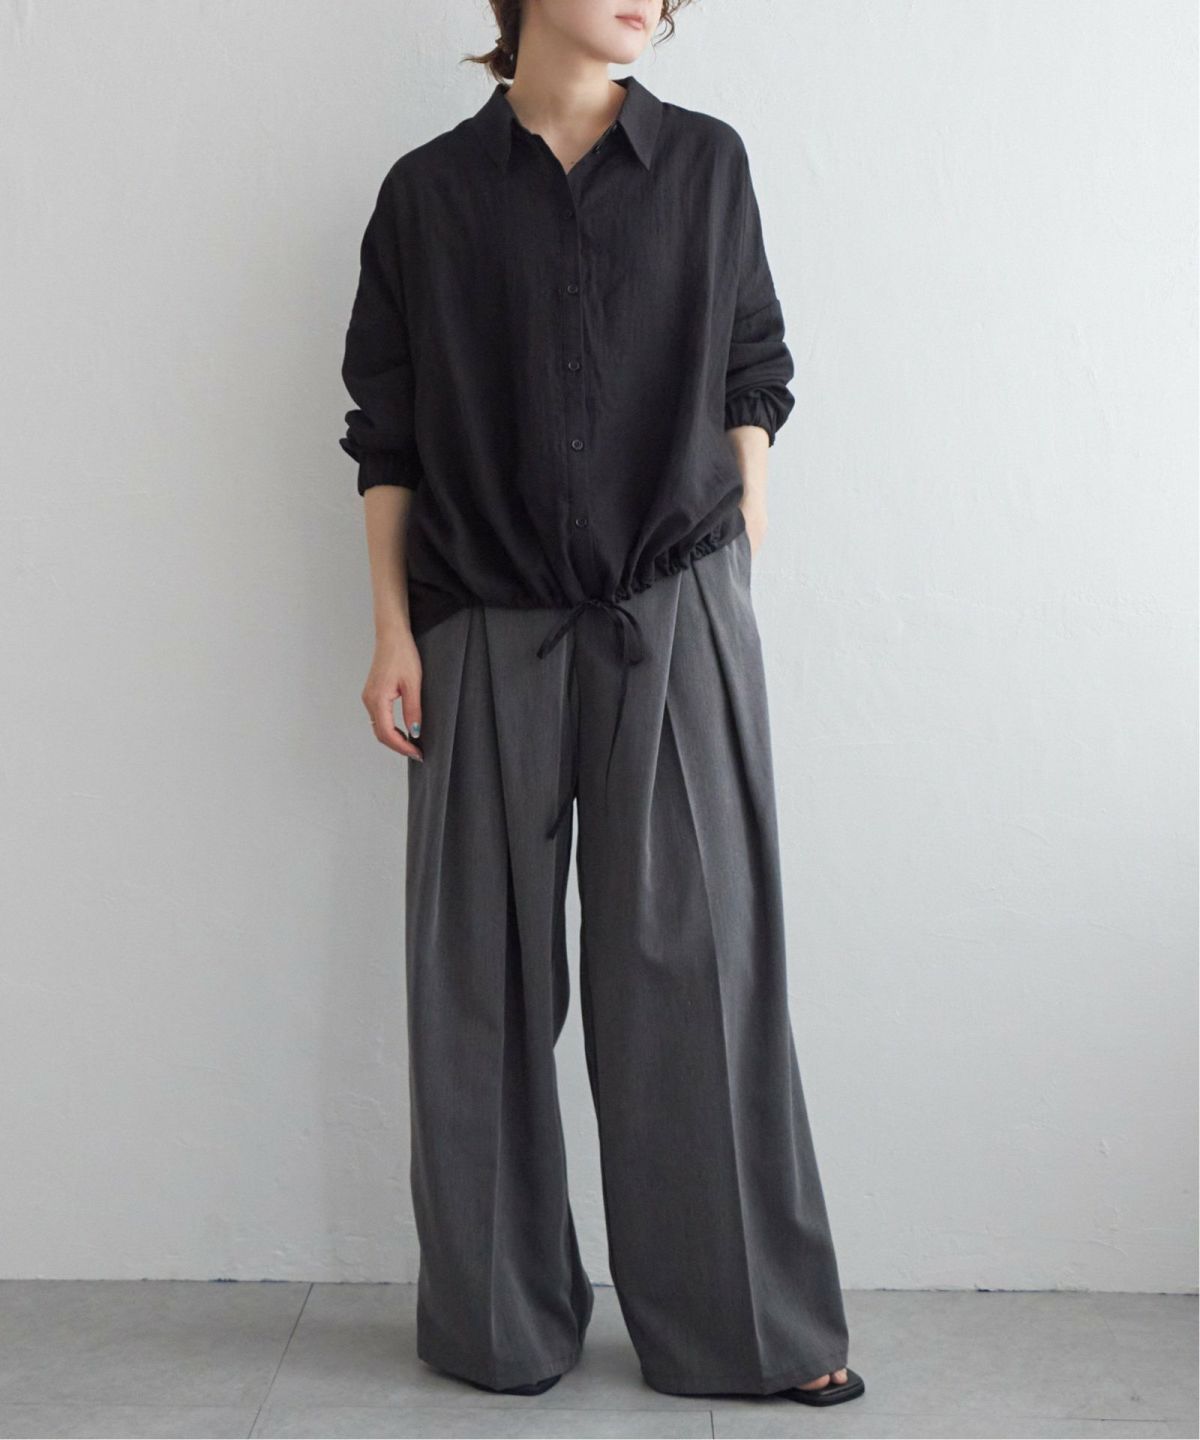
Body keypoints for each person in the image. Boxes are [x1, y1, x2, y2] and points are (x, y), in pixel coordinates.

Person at [338, 0, 864, 1409]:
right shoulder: (428, 195)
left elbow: (754, 365)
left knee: (700, 970)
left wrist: (737, 546)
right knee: (480, 987)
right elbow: (387, 435)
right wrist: (391, 632)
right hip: (478, 624)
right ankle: (499, 1324)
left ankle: (746, 1327)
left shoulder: (707, 163)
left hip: (671, 613)